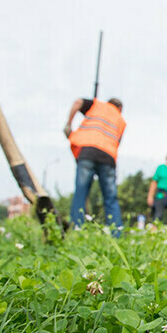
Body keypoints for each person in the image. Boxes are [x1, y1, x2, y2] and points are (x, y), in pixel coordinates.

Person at [64, 97, 125, 234]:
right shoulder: (120, 120)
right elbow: (117, 142)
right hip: (108, 156)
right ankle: (117, 232)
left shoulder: (97, 105)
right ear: (120, 109)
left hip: (88, 151)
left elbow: (77, 102)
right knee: (110, 197)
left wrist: (68, 124)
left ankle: (77, 229)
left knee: (81, 192)